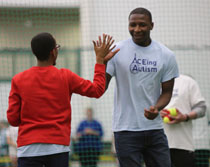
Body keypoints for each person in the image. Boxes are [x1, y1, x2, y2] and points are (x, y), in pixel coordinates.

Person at [6, 32, 119, 167]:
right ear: (53, 52)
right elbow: (97, 90)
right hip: (58, 147)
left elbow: (13, 119)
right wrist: (100, 61)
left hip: (28, 148)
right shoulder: (65, 76)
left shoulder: (18, 80)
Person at [105, 7, 179, 167]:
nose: (137, 29)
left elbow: (167, 92)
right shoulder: (116, 51)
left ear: (152, 25)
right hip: (125, 130)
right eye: (133, 25)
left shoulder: (166, 55)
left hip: (154, 129)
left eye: (142, 25)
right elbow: (100, 88)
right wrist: (101, 62)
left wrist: (156, 108)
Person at [160, 74, 208, 167]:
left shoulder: (187, 82)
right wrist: (156, 112)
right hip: (156, 147)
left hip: (183, 145)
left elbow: (202, 108)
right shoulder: (150, 82)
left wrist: (185, 117)